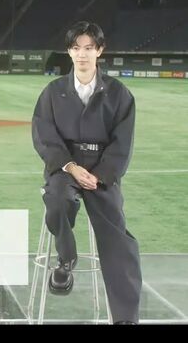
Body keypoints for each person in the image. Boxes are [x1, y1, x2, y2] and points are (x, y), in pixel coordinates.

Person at [32, 21, 141, 324]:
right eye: (76, 48)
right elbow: (44, 135)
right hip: (65, 167)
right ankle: (66, 260)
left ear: (99, 51)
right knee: (58, 199)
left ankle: (125, 318)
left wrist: (101, 175)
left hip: (102, 172)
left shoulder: (119, 94)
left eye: (89, 48)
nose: (82, 54)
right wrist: (70, 166)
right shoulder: (53, 92)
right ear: (69, 52)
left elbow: (123, 142)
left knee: (118, 236)